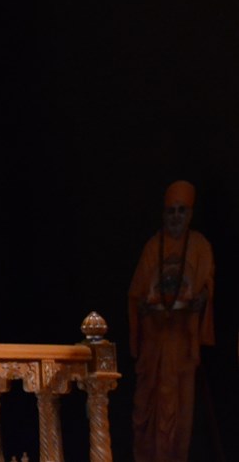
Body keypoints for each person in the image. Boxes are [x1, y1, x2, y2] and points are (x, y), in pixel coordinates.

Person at [128, 180, 215, 462]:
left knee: (180, 415)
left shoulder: (199, 246)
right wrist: (145, 305)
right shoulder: (153, 247)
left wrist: (201, 298)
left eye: (181, 210)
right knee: (146, 411)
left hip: (182, 348)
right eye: (171, 211)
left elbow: (207, 285)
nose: (176, 216)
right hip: (154, 346)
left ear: (190, 214)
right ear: (163, 214)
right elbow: (135, 294)